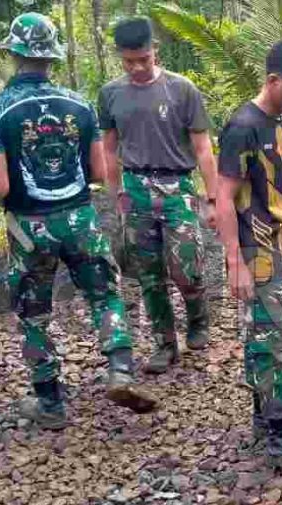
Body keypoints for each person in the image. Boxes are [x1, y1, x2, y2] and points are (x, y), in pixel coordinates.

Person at [0, 13, 155, 428]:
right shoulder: (79, 104)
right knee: (104, 295)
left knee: (34, 311)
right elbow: (99, 173)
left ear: (12, 54)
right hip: (80, 219)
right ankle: (120, 370)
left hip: (30, 227)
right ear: (53, 56)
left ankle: (50, 403)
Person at [216, 38, 282, 477]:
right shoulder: (243, 126)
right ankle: (280, 439)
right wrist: (234, 263)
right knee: (280, 345)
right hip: (258, 254)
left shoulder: (278, 120)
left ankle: (266, 417)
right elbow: (224, 198)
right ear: (274, 80)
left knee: (265, 339)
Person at [98, 17, 218, 374]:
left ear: (155, 51)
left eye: (143, 59)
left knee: (186, 267)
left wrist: (212, 199)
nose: (137, 68)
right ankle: (165, 343)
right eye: (129, 61)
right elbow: (108, 149)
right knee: (148, 276)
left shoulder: (182, 90)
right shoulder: (111, 94)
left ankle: (198, 317)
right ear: (120, 56)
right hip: (135, 188)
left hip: (177, 187)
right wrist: (115, 195)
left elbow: (203, 148)